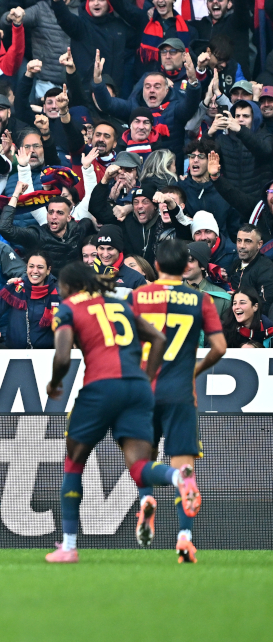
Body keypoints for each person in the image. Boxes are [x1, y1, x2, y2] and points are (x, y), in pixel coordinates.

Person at [44, 262, 189, 564]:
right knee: (139, 467)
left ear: (69, 286)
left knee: (73, 463)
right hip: (137, 389)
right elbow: (159, 339)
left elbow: (62, 356)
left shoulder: (68, 308)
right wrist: (147, 378)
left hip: (100, 388)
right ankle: (178, 477)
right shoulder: (119, 303)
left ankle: (69, 546)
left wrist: (55, 383)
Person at [130, 240, 226, 563]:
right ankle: (184, 538)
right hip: (181, 392)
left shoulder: (139, 296)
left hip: (143, 391)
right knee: (183, 469)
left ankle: (146, 500)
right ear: (186, 266)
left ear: (156, 266)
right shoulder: (201, 300)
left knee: (143, 461)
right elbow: (220, 348)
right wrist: (194, 368)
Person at [0, 252, 61, 349]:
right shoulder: (14, 288)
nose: (35, 271)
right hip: (15, 353)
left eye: (40, 267)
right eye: (31, 266)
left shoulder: (58, 293)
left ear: (48, 270)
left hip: (46, 355)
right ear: (26, 267)